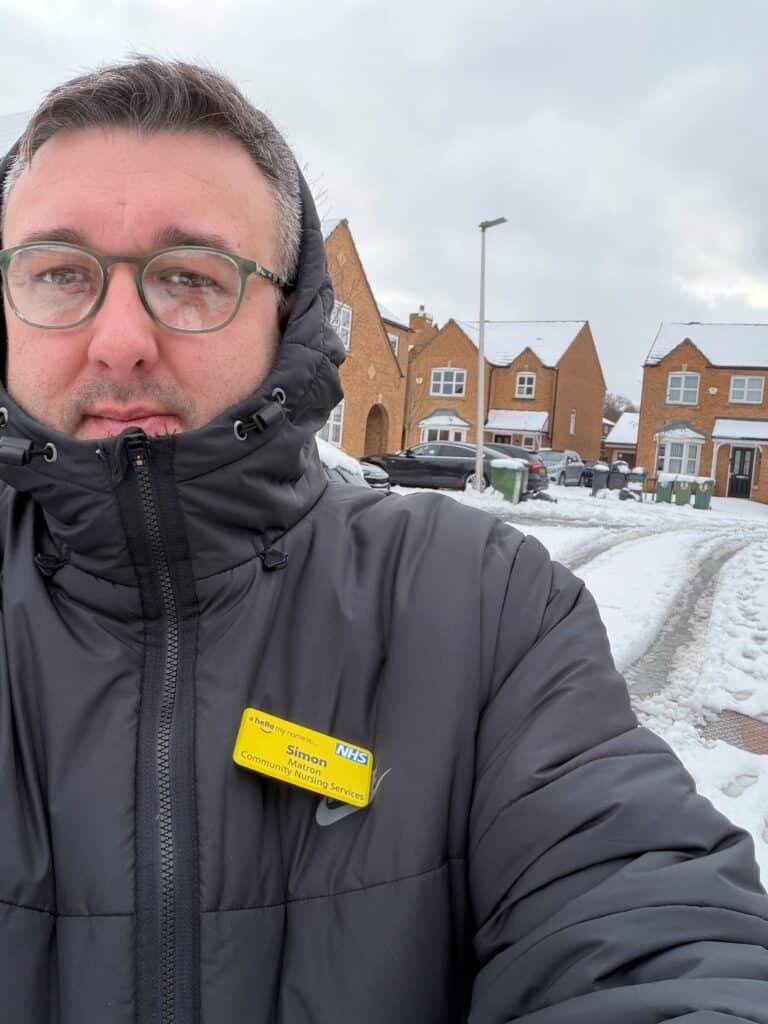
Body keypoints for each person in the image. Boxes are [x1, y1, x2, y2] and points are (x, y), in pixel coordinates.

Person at [0, 57, 766, 1024]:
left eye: (190, 279)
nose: (119, 339)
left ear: (291, 315)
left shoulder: (484, 608)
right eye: (60, 273)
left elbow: (651, 921)